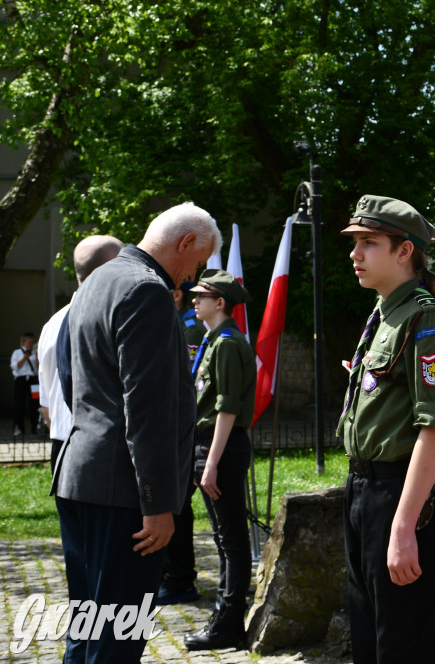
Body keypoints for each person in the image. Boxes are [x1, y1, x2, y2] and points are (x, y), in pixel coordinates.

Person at [51, 202, 221, 663]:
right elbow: (148, 410)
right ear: (185, 243)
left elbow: (71, 380)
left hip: (80, 475)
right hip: (124, 493)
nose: (191, 276)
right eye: (198, 262)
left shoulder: (96, 281)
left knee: (87, 629)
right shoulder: (147, 290)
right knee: (118, 639)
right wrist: (158, 504)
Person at [338, 195, 435, 663]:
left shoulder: (423, 317)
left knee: (407, 645)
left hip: (401, 496)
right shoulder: (385, 311)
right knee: (372, 640)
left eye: (369, 243)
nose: (355, 254)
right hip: (364, 490)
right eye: (355, 244)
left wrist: (404, 525)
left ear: (404, 251)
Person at [184, 269, 257, 650]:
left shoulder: (227, 343)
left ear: (221, 303)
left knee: (230, 537)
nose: (194, 300)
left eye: (201, 296)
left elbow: (227, 408)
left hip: (220, 446)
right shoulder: (215, 340)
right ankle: (225, 615)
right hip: (211, 444)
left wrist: (210, 463)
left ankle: (228, 623)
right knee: (222, 534)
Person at [37, 236, 124, 471]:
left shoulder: (51, 324)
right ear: (110, 269)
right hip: (98, 448)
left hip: (61, 444)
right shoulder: (111, 320)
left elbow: (46, 401)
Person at [157, 281, 209, 606]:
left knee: (177, 505)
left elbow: (185, 381)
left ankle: (179, 579)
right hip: (173, 428)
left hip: (183, 429)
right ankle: (172, 575)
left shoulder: (189, 328)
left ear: (176, 294)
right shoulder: (176, 321)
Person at [10, 332, 38, 437]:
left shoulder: (35, 352)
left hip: (32, 381)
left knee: (35, 404)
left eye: (32, 342)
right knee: (19, 404)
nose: (31, 344)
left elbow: (38, 366)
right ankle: (18, 428)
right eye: (29, 342)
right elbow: (15, 367)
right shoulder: (17, 352)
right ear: (23, 342)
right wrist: (25, 357)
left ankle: (35, 428)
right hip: (21, 380)